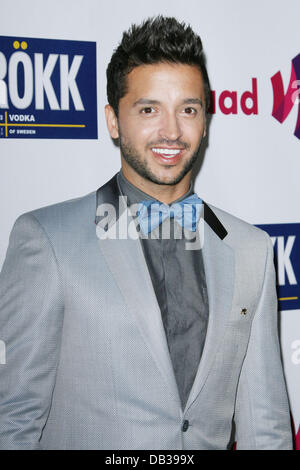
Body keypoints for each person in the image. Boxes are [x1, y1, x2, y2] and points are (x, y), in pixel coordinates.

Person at [0, 16, 293, 450]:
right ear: (114, 120)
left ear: (206, 120)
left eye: (188, 109)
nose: (171, 131)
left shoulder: (250, 248)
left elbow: (265, 423)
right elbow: (15, 419)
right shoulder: (47, 241)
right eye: (149, 109)